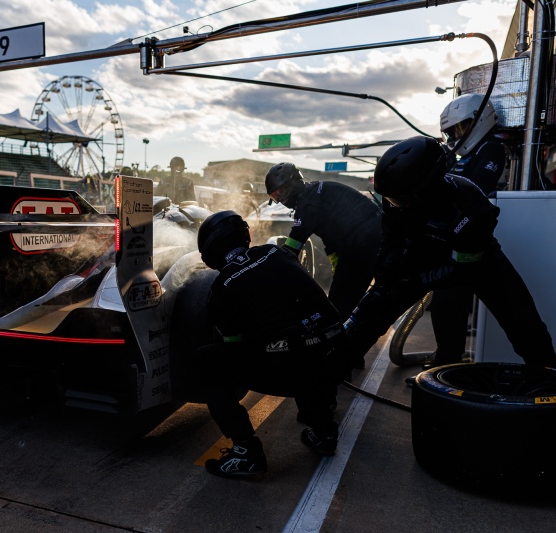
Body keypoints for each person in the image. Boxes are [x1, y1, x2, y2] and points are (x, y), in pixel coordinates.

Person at [341, 135, 556, 371]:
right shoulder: (397, 198)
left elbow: (464, 266)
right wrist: (384, 280)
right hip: (426, 249)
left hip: (479, 261)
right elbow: (392, 241)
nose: (394, 205)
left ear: (425, 191)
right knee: (376, 309)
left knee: (525, 325)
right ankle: (337, 367)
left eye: (398, 200)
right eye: (390, 200)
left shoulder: (472, 207)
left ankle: (548, 378)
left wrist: (417, 280)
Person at [195, 210, 346, 478]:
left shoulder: (222, 286)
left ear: (210, 251)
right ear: (245, 235)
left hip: (294, 367)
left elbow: (234, 344)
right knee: (301, 341)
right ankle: (324, 431)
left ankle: (246, 452)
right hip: (338, 355)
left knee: (208, 361)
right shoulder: (277, 253)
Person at [424, 95, 508, 367]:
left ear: (479, 120)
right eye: (454, 130)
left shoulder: (491, 149)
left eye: (463, 126)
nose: (458, 134)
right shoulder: (466, 155)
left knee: (450, 303)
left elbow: (474, 188)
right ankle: (447, 360)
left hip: (478, 242)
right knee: (447, 305)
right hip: (459, 239)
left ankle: (447, 364)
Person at [264, 162, 382, 319]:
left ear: (292, 184)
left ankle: (342, 339)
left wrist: (266, 270)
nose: (280, 199)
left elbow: (291, 250)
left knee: (337, 310)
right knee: (358, 297)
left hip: (362, 244)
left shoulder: (308, 205)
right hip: (372, 238)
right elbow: (332, 239)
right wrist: (336, 266)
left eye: (281, 193)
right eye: (275, 196)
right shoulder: (315, 191)